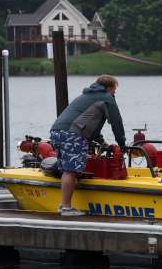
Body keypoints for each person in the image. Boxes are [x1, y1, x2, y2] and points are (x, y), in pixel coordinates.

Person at [49, 75, 126, 216]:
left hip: (57, 132)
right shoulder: (106, 98)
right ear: (110, 88)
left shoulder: (87, 96)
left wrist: (101, 141)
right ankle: (66, 208)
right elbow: (116, 123)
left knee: (66, 169)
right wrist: (122, 144)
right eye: (115, 90)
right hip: (72, 135)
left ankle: (63, 204)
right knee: (70, 171)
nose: (115, 93)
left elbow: (89, 122)